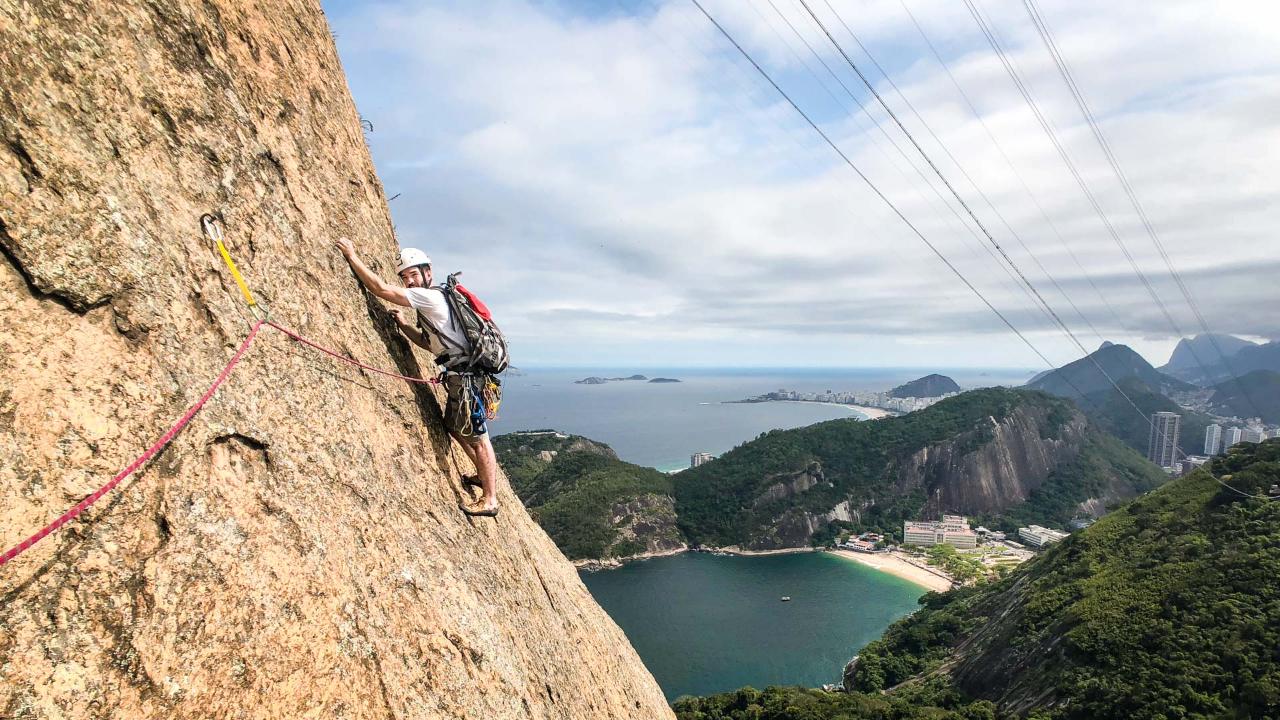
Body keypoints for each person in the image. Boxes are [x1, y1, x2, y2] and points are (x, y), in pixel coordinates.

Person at [334, 237, 499, 517]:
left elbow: (381, 289)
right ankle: (483, 477)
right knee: (454, 426)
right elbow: (428, 342)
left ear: (427, 272)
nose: (409, 281)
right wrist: (403, 327)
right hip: (463, 378)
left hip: (468, 380)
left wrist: (352, 256)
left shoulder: (430, 296)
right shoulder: (435, 303)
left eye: (412, 274)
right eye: (405, 277)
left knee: (478, 437)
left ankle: (490, 499)